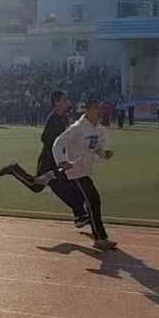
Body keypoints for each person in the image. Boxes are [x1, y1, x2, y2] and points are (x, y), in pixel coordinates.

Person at [0, 90, 89, 228]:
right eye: (64, 100)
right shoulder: (53, 120)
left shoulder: (64, 118)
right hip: (49, 164)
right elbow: (45, 139)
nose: (67, 102)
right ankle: (14, 169)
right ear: (56, 103)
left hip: (58, 163)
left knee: (70, 187)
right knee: (37, 186)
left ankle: (79, 215)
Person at [52, 99, 116, 250]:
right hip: (75, 170)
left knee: (89, 201)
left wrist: (104, 153)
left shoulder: (98, 130)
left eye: (99, 108)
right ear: (87, 110)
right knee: (93, 200)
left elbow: (97, 148)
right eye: (95, 108)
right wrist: (61, 161)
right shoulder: (77, 128)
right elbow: (58, 143)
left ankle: (82, 219)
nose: (98, 112)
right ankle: (100, 238)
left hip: (86, 170)